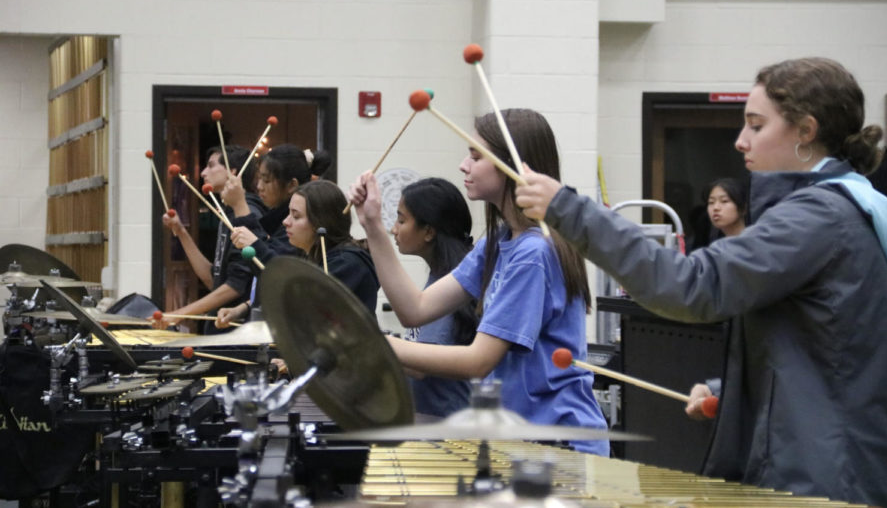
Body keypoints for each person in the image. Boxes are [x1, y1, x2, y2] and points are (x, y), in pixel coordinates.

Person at [514, 57, 887, 506]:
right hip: (836, 463)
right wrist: (727, 392)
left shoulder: (819, 216)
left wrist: (568, 208)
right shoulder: (854, 208)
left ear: (806, 131)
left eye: (756, 126)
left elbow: (691, 285)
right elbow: (829, 350)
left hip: (828, 477)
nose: (740, 141)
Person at [349, 108, 610, 456]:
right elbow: (415, 309)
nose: (463, 165)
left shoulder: (534, 252)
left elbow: (478, 360)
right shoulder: (500, 241)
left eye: (475, 156)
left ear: (512, 167)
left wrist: (376, 344)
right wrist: (372, 226)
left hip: (560, 443)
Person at [217, 179, 379, 329]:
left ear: (320, 222)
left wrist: (256, 246)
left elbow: (301, 302)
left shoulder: (348, 263)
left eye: (296, 216)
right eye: (288, 214)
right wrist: (244, 308)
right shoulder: (311, 255)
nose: (285, 222)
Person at [153, 145, 265, 332]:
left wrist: (178, 315)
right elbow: (214, 280)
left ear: (233, 172)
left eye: (211, 166)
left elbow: (235, 287)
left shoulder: (247, 215)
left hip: (238, 335)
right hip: (220, 331)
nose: (203, 172)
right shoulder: (226, 215)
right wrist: (181, 232)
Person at [391, 177, 477, 418]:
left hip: (448, 426)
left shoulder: (450, 281)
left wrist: (373, 346)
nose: (393, 229)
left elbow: (421, 367)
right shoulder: (443, 273)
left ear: (428, 231)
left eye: (401, 220)